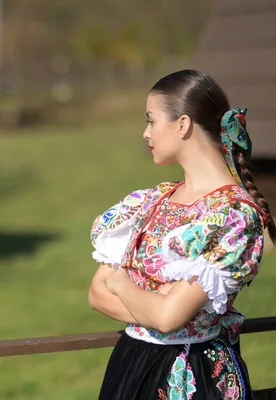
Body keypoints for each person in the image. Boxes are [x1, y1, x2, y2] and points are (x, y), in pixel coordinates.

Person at [88, 69, 276, 400]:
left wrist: (121, 283)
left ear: (183, 125)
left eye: (151, 120)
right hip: (130, 365)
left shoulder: (233, 216)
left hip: (193, 373)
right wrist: (156, 306)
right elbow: (96, 295)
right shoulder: (151, 201)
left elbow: (167, 316)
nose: (146, 133)